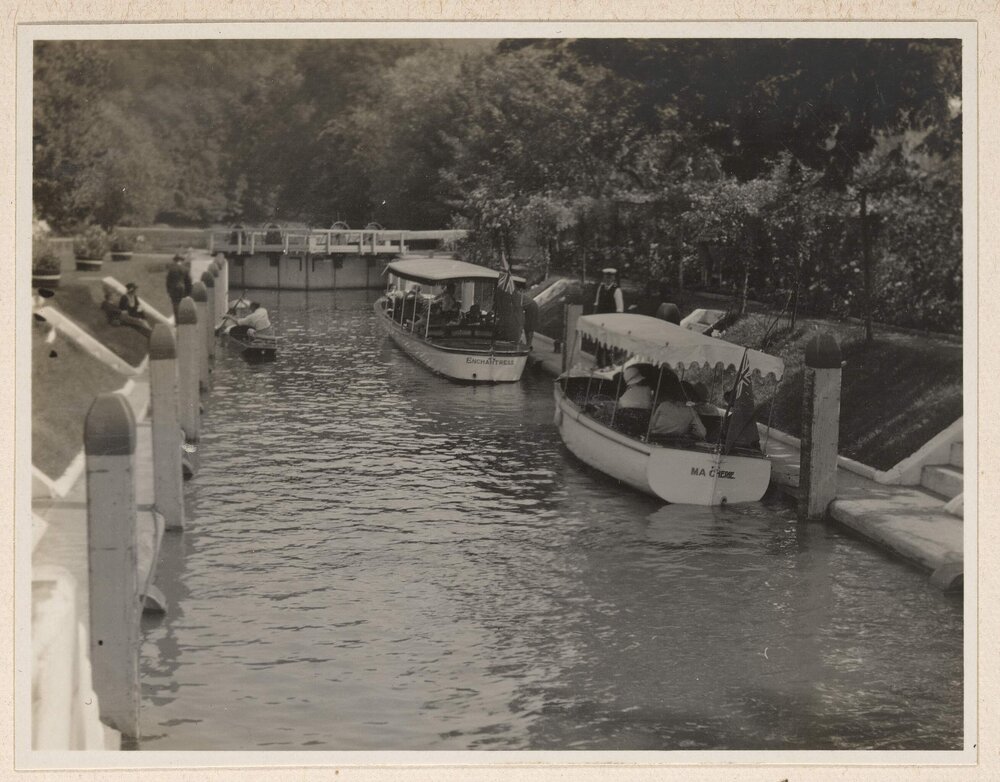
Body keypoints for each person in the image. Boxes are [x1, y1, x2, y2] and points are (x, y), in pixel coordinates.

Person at [593, 267, 624, 366]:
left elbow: (619, 310)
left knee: (609, 346)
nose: (608, 279)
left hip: (611, 322)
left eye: (610, 277)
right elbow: (597, 304)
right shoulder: (601, 288)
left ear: (613, 278)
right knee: (599, 345)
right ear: (604, 277)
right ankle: (599, 366)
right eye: (606, 277)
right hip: (600, 321)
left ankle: (609, 366)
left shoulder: (616, 290)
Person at [166, 253, 193, 320]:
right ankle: (183, 319)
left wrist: (169, 291)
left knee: (175, 304)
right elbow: (188, 281)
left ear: (175, 260)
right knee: (183, 303)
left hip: (174, 289)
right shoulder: (185, 269)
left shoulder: (171, 269)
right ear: (181, 260)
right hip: (182, 288)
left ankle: (177, 320)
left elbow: (168, 281)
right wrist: (189, 292)